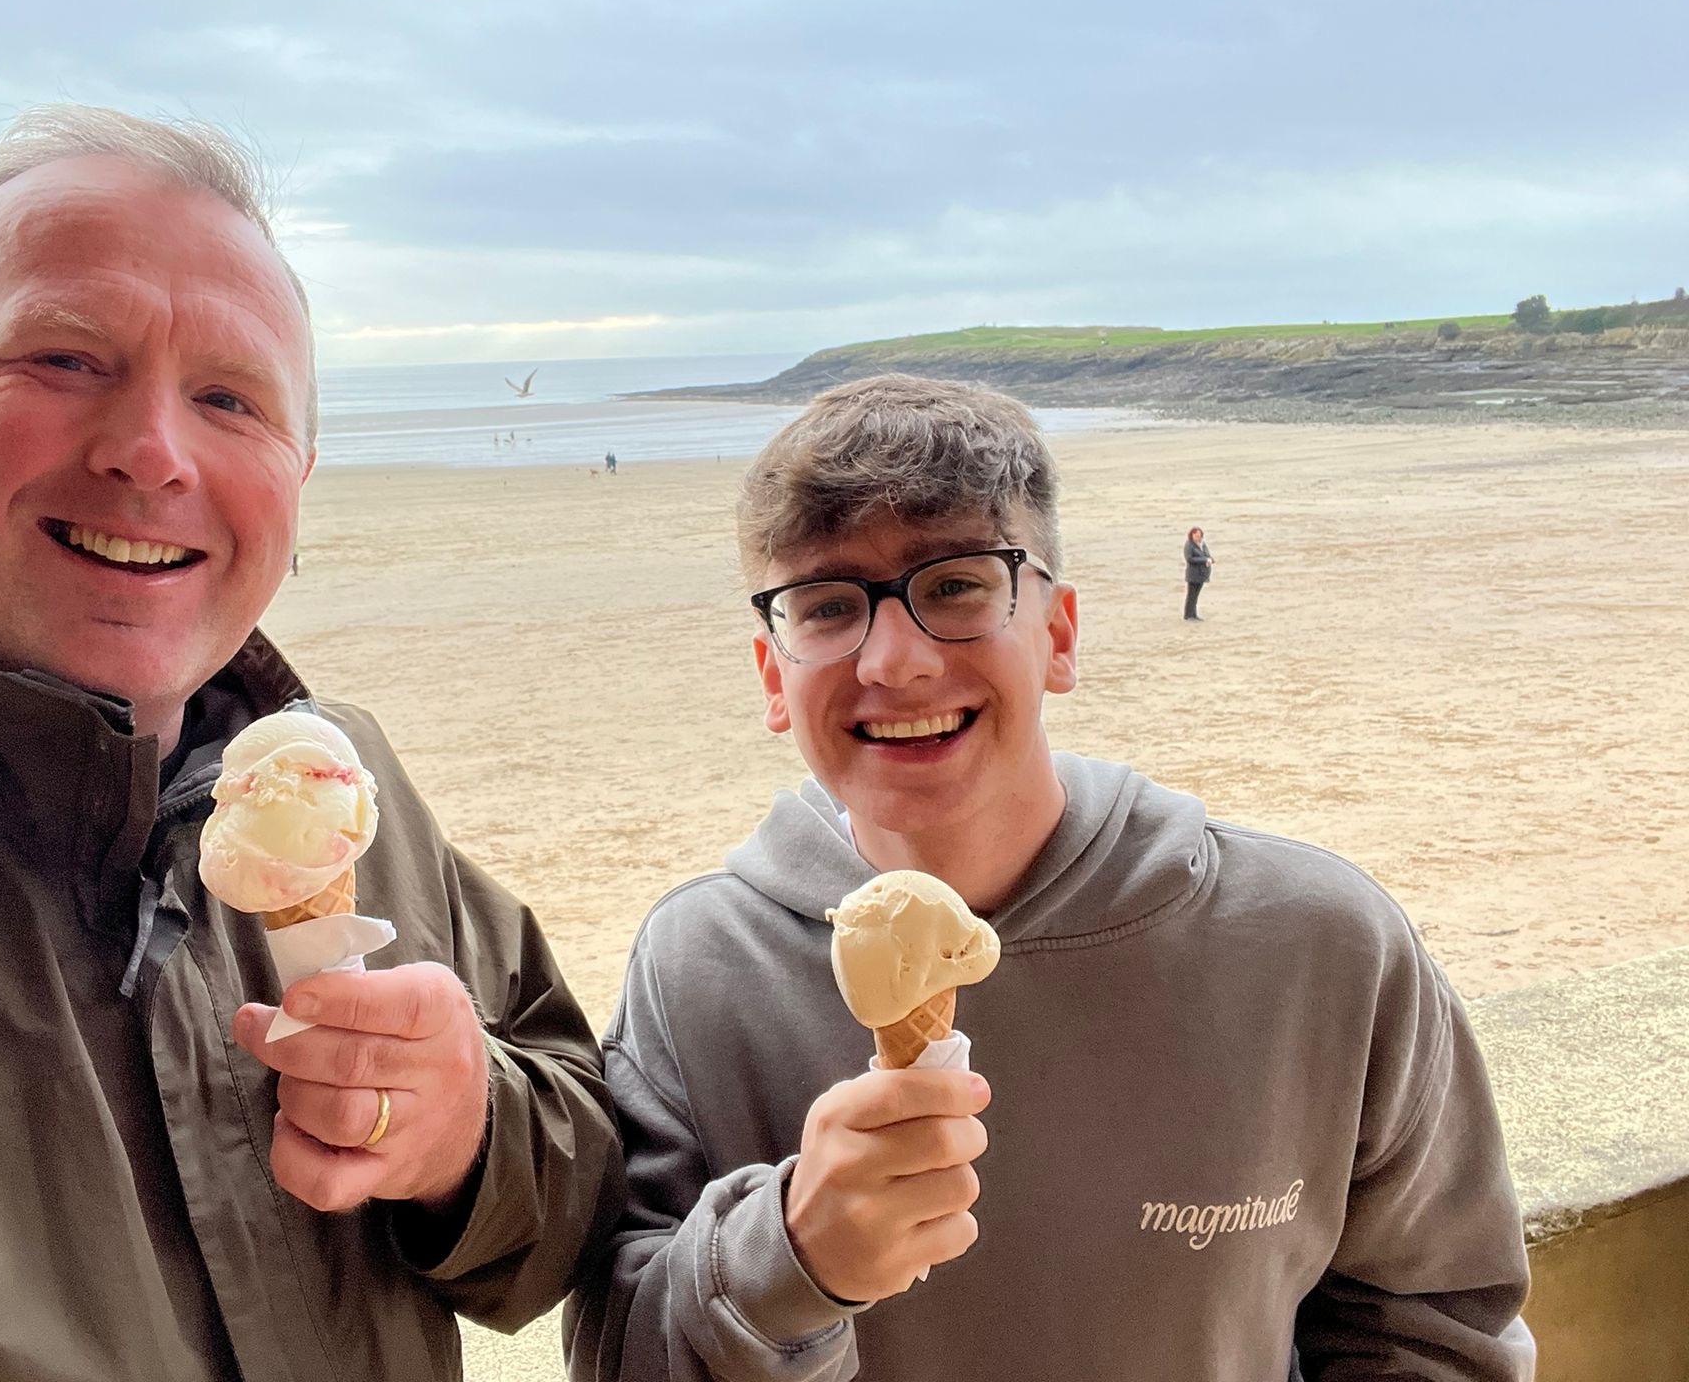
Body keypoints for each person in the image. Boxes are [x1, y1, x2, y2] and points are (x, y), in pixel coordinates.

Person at [0, 105, 622, 1381]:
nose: (152, 454)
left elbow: (579, 1190)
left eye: (228, 398)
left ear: (297, 473)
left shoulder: (335, 781)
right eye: (64, 358)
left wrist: (466, 1136)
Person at [567, 375, 1532, 1380]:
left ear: (1058, 634)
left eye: (955, 585)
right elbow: (617, 1352)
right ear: (774, 678)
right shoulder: (695, 969)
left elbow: (1435, 1327)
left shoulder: (1318, 942)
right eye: (826, 606)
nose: (894, 661)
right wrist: (785, 1266)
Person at [1184, 524, 1214, 620]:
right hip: (1193, 575)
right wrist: (1204, 560)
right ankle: (1188, 615)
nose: (1198, 538)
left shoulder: (1202, 544)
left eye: (1199, 536)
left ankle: (1194, 614)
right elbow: (1189, 559)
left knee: (1196, 596)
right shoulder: (1189, 545)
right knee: (1191, 596)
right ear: (1192, 535)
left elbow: (1208, 555)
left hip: (1202, 574)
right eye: (1196, 536)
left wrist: (1210, 560)